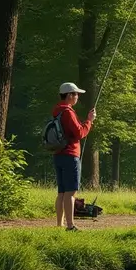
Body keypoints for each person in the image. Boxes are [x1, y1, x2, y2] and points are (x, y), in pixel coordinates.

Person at [52, 82, 95, 231]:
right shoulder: (68, 112)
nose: (77, 97)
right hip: (70, 155)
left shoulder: (57, 111)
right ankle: (70, 226)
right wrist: (89, 120)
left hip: (58, 154)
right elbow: (79, 133)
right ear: (69, 95)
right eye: (76, 94)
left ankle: (59, 224)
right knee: (71, 193)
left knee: (62, 192)